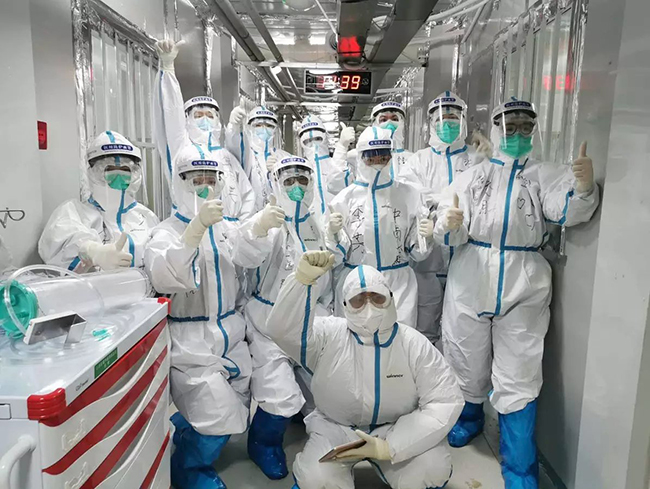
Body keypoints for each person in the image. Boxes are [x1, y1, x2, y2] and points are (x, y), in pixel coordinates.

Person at [428, 98, 599, 489]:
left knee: (520, 371)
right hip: (472, 275)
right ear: (496, 128)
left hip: (525, 281)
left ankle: (520, 468)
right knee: (465, 356)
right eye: (510, 125)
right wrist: (449, 224)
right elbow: (449, 227)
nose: (518, 132)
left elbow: (566, 210)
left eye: (526, 126)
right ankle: (469, 417)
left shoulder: (544, 174)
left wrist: (583, 186)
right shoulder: (473, 176)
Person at [265, 253, 464, 489]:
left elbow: (444, 400)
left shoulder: (413, 343)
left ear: (390, 298)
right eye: (358, 300)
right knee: (317, 479)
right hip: (337, 428)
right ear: (345, 305)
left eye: (377, 298)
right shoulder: (328, 335)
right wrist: (301, 282)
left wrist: (392, 446)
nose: (369, 307)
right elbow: (283, 332)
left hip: (395, 427)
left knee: (432, 468)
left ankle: (394, 461)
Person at [144, 145, 263, 489]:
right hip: (190, 340)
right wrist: (194, 230)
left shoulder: (224, 227)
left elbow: (249, 258)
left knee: (238, 403)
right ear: (179, 182)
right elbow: (165, 276)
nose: (205, 187)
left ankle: (187, 430)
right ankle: (188, 468)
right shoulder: (165, 231)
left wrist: (259, 229)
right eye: (196, 180)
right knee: (218, 415)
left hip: (230, 332)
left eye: (211, 179)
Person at [238, 155, 333, 480]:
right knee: (279, 396)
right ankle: (263, 443)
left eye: (302, 180)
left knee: (327, 392)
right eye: (288, 181)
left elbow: (330, 275)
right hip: (269, 323)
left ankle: (299, 420)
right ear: (276, 185)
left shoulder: (317, 223)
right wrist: (259, 228)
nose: (296, 187)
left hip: (311, 319)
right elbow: (244, 254)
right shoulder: (268, 221)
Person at [327, 127, 433, 327]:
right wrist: (333, 235)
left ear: (390, 157)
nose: (377, 163)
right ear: (360, 158)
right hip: (356, 282)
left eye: (383, 157)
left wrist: (425, 238)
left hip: (398, 284)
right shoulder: (344, 199)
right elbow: (336, 257)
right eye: (371, 158)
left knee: (399, 338)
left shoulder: (409, 195)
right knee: (355, 340)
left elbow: (417, 253)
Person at [402, 91, 485, 344]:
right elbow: (411, 194)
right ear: (431, 123)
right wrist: (445, 203)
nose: (447, 123)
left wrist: (489, 157)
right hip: (427, 260)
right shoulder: (418, 160)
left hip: (467, 256)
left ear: (463, 121)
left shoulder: (476, 158)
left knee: (463, 331)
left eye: (452, 118)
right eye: (440, 119)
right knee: (424, 327)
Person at [153, 39, 254, 221]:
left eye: (210, 115)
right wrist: (167, 69)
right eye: (198, 115)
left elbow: (246, 194)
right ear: (187, 120)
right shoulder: (183, 150)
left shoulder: (227, 157)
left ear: (217, 121)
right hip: (191, 228)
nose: (205, 119)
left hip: (228, 232)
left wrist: (241, 227)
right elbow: (171, 114)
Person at [39, 131, 159, 272]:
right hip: (92, 286)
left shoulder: (145, 216)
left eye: (124, 170)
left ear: (134, 173)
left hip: (143, 287)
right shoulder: (73, 212)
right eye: (110, 169)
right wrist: (93, 252)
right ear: (94, 172)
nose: (118, 177)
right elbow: (60, 245)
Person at [226, 105, 290, 212]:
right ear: (249, 128)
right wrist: (234, 127)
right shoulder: (246, 153)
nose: (264, 129)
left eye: (269, 126)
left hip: (278, 216)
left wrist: (277, 174)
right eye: (258, 125)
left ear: (274, 130)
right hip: (250, 217)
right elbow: (234, 144)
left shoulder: (283, 156)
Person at [298, 115, 343, 219]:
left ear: (325, 137)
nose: (313, 144)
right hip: (313, 224)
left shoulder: (338, 164)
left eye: (317, 139)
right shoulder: (302, 171)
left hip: (339, 221)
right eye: (308, 141)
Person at [371, 101, 413, 179]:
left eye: (395, 119)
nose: (390, 123)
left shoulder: (412, 159)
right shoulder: (366, 157)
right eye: (384, 120)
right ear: (375, 125)